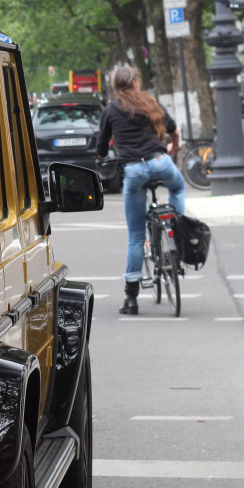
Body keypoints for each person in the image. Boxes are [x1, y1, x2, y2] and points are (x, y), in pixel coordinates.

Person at [96, 65, 186, 316]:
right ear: (136, 83)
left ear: (115, 86)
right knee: (177, 187)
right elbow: (173, 131)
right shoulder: (150, 103)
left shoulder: (111, 110)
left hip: (134, 171)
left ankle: (131, 299)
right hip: (161, 163)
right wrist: (173, 148)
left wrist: (102, 156)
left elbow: (102, 145)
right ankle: (177, 227)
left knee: (136, 237)